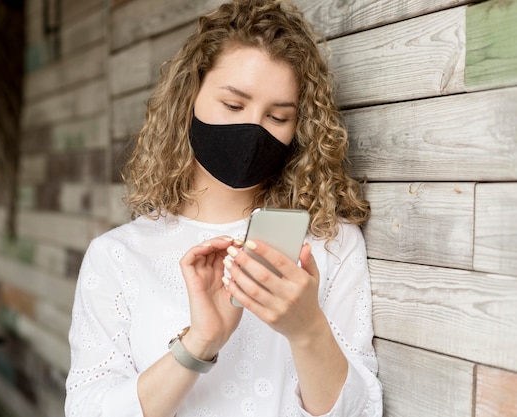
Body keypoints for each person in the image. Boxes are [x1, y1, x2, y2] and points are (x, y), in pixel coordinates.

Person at [65, 0, 382, 416]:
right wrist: (199, 343)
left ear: (299, 127)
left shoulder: (329, 244)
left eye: (278, 116)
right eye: (233, 106)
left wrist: (307, 331)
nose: (253, 130)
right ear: (188, 98)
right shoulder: (118, 256)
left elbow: (360, 412)